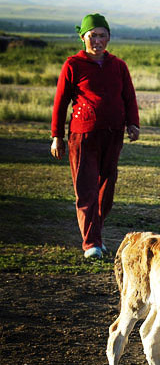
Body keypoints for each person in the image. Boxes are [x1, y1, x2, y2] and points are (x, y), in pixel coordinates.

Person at [50, 13, 139, 259]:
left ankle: (96, 236)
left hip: (113, 135)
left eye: (102, 35)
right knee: (86, 188)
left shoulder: (118, 65)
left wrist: (133, 124)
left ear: (109, 37)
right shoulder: (73, 65)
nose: (97, 40)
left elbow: (128, 97)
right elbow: (60, 102)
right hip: (83, 135)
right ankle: (91, 244)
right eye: (92, 36)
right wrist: (56, 135)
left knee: (106, 189)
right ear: (83, 38)